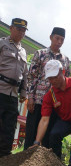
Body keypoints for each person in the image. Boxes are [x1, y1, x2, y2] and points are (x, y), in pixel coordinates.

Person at [33, 60, 71, 166]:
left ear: (63, 71)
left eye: (55, 76)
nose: (53, 80)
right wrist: (37, 142)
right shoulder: (49, 96)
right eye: (50, 78)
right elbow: (44, 119)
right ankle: (57, 163)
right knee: (54, 135)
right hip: (66, 121)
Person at [25, 27, 70, 149]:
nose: (59, 41)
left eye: (62, 39)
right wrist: (30, 98)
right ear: (51, 37)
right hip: (39, 100)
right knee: (32, 134)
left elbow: (67, 81)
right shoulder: (40, 54)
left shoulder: (65, 60)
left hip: (56, 104)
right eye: (57, 38)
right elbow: (31, 77)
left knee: (48, 138)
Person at [0, 18, 28, 157]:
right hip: (0, 89)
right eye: (19, 29)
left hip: (13, 94)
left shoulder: (23, 51)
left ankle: (4, 156)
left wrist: (24, 92)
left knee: (10, 125)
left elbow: (25, 74)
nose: (21, 33)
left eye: (24, 30)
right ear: (11, 28)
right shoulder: (2, 43)